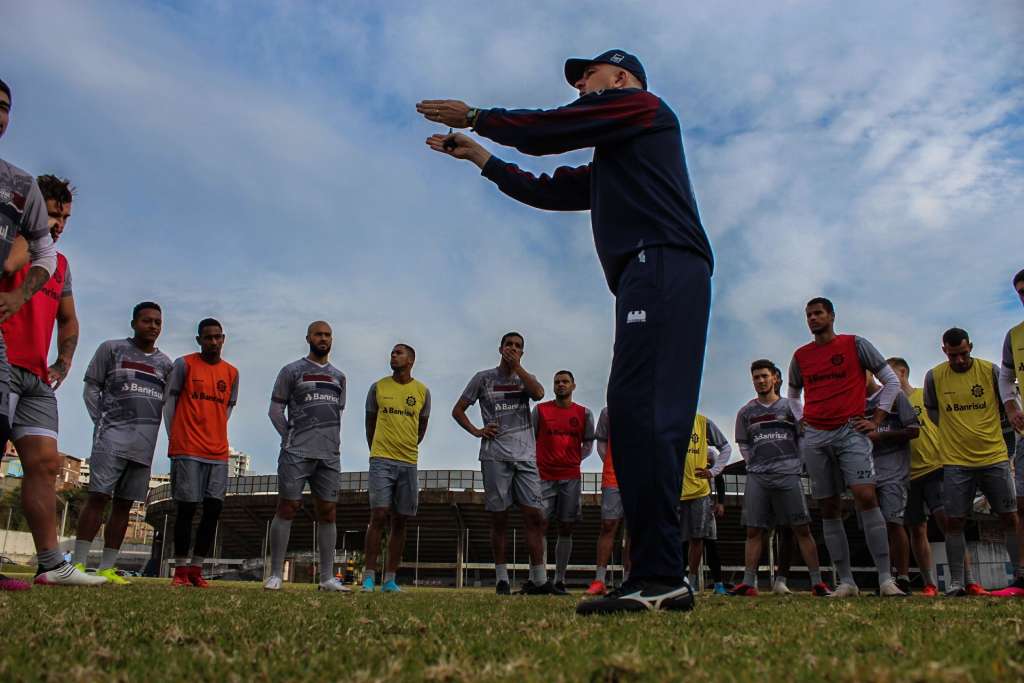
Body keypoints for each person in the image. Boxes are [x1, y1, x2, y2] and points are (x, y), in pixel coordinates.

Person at [418, 49, 713, 614]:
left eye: (587, 75)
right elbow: (547, 188)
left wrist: (477, 116)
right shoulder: (619, 158)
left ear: (620, 80)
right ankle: (661, 575)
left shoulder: (643, 107)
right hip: (653, 274)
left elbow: (552, 130)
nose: (579, 83)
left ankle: (660, 574)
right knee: (634, 417)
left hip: (662, 265)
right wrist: (482, 157)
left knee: (644, 414)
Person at [0, 79, 71, 587]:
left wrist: (63, 363)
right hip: (4, 358)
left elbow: (69, 319)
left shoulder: (61, 263)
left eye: (65, 216)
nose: (60, 224)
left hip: (35, 376)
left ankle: (51, 566)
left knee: (45, 463)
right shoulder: (18, 239)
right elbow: (13, 258)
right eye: (53, 214)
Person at [787, 297, 905, 597]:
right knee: (827, 505)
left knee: (865, 495)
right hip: (816, 436)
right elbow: (793, 393)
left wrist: (876, 419)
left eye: (818, 313)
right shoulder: (801, 356)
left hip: (851, 431)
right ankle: (846, 581)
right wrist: (801, 419)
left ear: (831, 316)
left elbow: (890, 382)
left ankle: (884, 578)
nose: (813, 319)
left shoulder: (855, 345)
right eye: (809, 315)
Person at [73, 302, 173, 584]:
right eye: (147, 321)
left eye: (157, 322)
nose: (153, 326)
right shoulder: (112, 349)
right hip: (110, 439)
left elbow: (168, 403)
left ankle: (107, 567)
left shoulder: (166, 364)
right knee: (98, 497)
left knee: (124, 505)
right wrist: (101, 420)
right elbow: (91, 386)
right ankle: (78, 564)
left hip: (143, 445)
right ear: (133, 323)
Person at [924, 327, 1022, 596]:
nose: (959, 360)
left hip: (994, 457)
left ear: (971, 347)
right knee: (954, 521)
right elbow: (932, 409)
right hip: (956, 462)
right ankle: (957, 583)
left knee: (1009, 517)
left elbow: (1007, 402)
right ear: (944, 350)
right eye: (953, 355)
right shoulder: (934, 377)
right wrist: (953, 430)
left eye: (963, 354)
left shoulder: (990, 371)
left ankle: (1020, 577)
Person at [453, 332, 547, 594]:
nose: (513, 349)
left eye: (518, 346)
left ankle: (539, 579)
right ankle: (502, 578)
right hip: (495, 456)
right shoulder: (483, 378)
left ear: (522, 352)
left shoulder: (526, 378)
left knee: (534, 516)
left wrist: (517, 367)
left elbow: (538, 394)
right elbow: (458, 410)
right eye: (509, 345)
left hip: (525, 456)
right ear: (500, 348)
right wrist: (476, 431)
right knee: (499, 519)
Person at [730, 359, 830, 597]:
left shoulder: (792, 408)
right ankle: (748, 582)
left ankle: (817, 582)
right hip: (758, 477)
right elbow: (743, 443)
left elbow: (803, 437)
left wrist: (799, 462)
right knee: (754, 530)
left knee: (801, 528)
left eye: (765, 376)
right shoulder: (746, 412)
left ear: (775, 378)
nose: (760, 381)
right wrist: (752, 462)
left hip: (788, 474)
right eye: (756, 377)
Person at [888, 356, 986, 597]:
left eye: (889, 374)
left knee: (949, 523)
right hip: (907, 474)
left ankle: (967, 580)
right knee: (916, 529)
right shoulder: (887, 407)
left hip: (936, 467)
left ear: (902, 372)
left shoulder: (924, 395)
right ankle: (929, 583)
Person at [263, 322, 348, 593]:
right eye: (318, 334)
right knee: (288, 506)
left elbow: (338, 411)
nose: (323, 339)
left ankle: (326, 578)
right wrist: (288, 434)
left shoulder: (339, 377)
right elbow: (275, 409)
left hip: (329, 454)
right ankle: (276, 573)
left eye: (327, 335)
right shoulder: (292, 371)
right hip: (296, 451)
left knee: (328, 511)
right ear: (308, 338)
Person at [164, 318, 239, 587]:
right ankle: (181, 570)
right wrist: (174, 435)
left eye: (218, 337)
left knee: (213, 509)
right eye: (208, 338)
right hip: (187, 448)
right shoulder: (184, 365)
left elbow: (228, 407)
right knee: (186, 508)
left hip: (217, 451)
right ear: (199, 340)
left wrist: (214, 428)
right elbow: (170, 400)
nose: (214, 342)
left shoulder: (231, 372)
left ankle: (197, 568)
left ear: (224, 338)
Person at [362, 343, 430, 593]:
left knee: (400, 520)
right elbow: (370, 422)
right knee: (378, 515)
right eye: (392, 352)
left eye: (399, 352)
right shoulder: (378, 387)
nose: (393, 355)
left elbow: (421, 427)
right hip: (381, 459)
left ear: (411, 360)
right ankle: (368, 576)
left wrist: (407, 445)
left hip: (408, 462)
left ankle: (390, 578)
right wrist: (376, 449)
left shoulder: (422, 391)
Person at [533, 370, 595, 594]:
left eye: (565, 382)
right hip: (543, 476)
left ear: (573, 386)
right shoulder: (540, 410)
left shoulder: (584, 413)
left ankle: (560, 579)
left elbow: (588, 441)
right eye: (557, 382)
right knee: (539, 525)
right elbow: (531, 438)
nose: (561, 385)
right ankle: (537, 578)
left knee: (566, 526)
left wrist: (578, 458)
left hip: (570, 476)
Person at [861, 371, 919, 594]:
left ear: (870, 373)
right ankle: (885, 578)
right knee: (875, 526)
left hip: (894, 468)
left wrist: (882, 436)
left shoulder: (894, 395)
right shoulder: (853, 401)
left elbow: (914, 430)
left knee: (894, 522)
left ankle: (903, 577)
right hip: (865, 471)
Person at [678, 413, 730, 591]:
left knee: (703, 540)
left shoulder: (703, 425)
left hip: (701, 494)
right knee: (678, 540)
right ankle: (676, 578)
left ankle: (701, 583)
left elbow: (726, 449)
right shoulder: (666, 418)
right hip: (675, 492)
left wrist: (713, 472)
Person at [997, 269, 1024, 596]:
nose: (1023, 295)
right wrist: (1012, 407)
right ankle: (1022, 577)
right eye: (1019, 291)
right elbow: (1006, 377)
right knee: (1021, 503)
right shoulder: (1014, 336)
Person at [586, 407, 630, 596]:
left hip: (642, 476)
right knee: (608, 524)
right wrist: (612, 462)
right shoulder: (608, 411)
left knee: (634, 528)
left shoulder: (650, 405)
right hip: (613, 476)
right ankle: (600, 580)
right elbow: (602, 441)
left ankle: (629, 579)